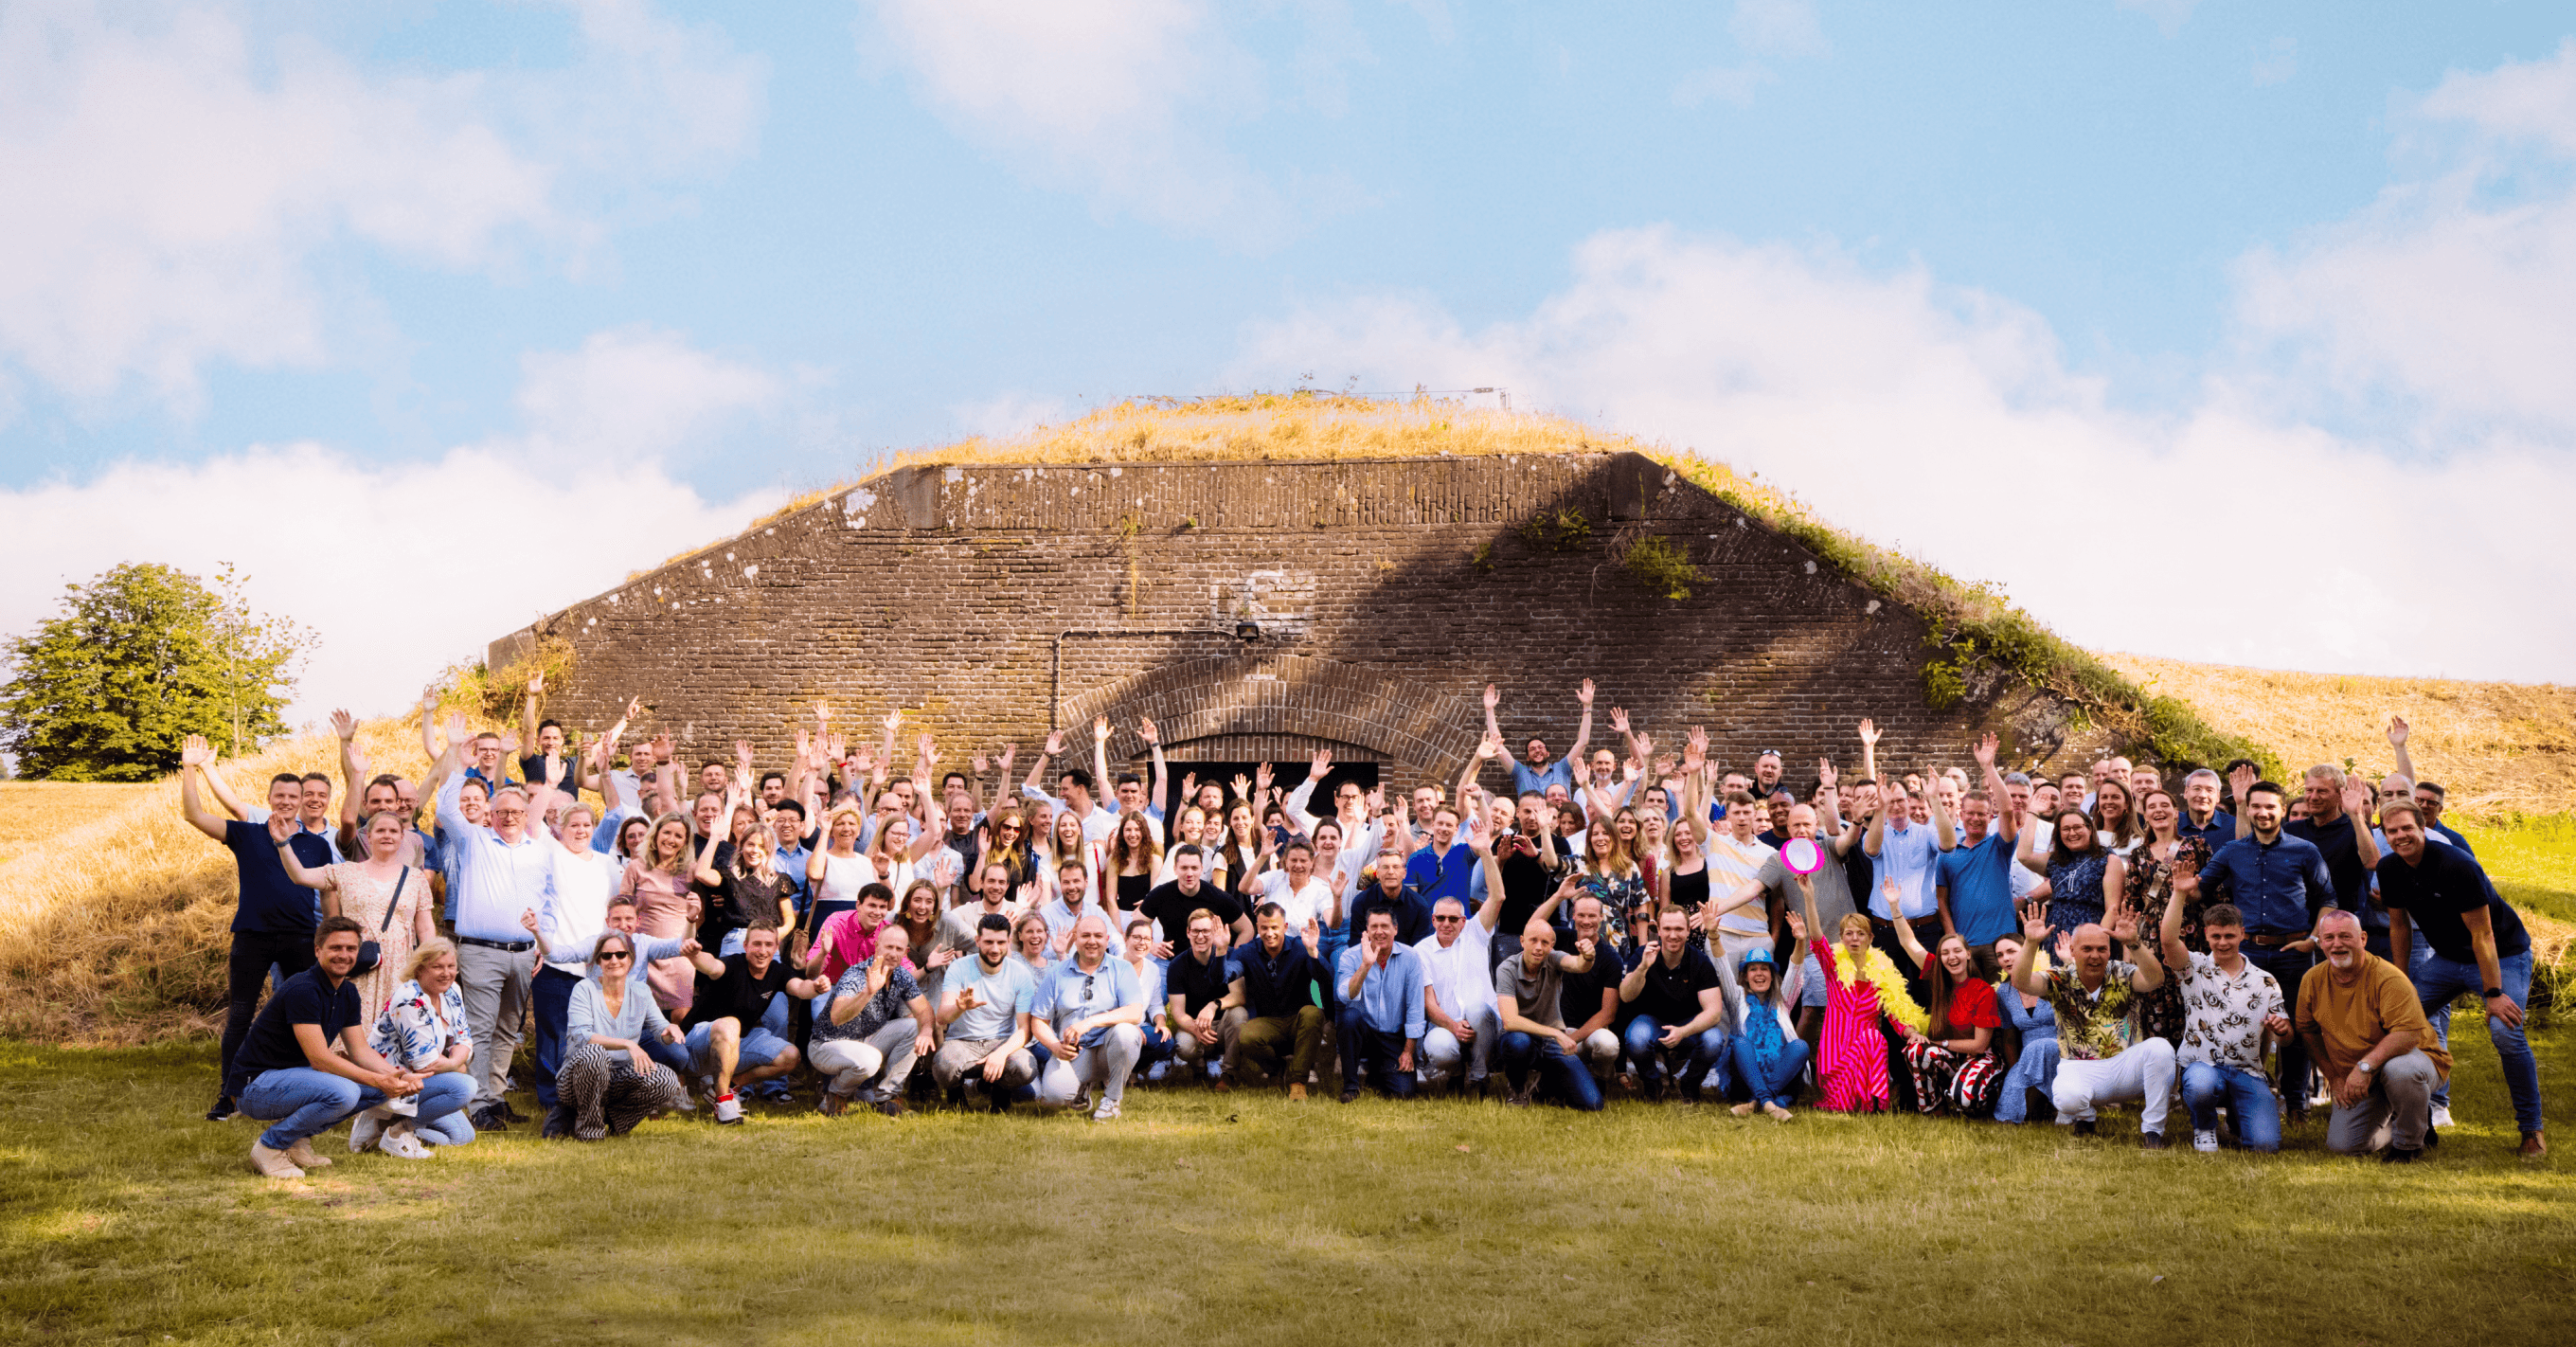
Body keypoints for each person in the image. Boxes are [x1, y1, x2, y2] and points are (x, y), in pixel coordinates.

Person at [230, 917, 470, 1178]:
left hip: (295, 1080)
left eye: (351, 948)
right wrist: (378, 1079)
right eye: (336, 948)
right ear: (318, 950)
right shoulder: (303, 989)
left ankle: (296, 1141)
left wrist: (394, 1077)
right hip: (255, 1086)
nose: (344, 955)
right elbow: (320, 1059)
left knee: (377, 1091)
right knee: (345, 1092)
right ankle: (270, 1146)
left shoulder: (347, 992)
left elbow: (360, 1051)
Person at [2376, 800, 2545, 1158]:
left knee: (2506, 1031)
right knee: (2392, 1023)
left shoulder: (2456, 864)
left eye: (2407, 828)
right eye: (2392, 831)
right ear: (2384, 835)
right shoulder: (2389, 868)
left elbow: (2483, 934)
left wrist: (2494, 993)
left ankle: (2532, 1130)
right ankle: (2419, 1121)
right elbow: (2399, 927)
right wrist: (2401, 984)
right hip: (2448, 960)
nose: (2400, 836)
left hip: (2503, 954)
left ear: (2422, 828)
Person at [178, 735, 332, 1122]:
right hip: (252, 936)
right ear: (269, 798)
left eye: (293, 796)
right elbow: (194, 815)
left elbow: (329, 894)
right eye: (279, 796)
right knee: (240, 1016)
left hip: (301, 939)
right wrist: (190, 768)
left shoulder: (316, 845)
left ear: (301, 801)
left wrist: (330, 935)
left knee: (304, 1016)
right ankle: (229, 1097)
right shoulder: (247, 833)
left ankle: (300, 1090)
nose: (286, 801)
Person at [425, 712, 551, 1131]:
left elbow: (547, 900)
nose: (509, 816)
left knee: (508, 1030)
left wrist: (541, 942)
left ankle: (495, 1097)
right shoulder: (473, 839)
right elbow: (446, 808)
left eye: (516, 811)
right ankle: (477, 1103)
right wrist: (460, 765)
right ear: (490, 813)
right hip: (480, 952)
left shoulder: (538, 851)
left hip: (523, 953)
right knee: (479, 1028)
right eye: (502, 811)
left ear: (527, 814)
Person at [2189, 779, 2334, 1124]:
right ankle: (2244, 1096)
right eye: (2256, 806)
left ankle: (2296, 1101)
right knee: (2240, 1024)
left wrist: (2312, 941)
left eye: (2270, 806)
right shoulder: (2232, 850)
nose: (2263, 812)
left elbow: (2328, 900)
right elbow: (2199, 891)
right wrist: (2184, 887)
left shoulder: (2305, 851)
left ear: (2283, 810)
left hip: (2294, 950)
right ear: (2248, 809)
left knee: (2296, 1026)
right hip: (2248, 954)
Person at [2011, 904, 2173, 1147]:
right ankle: (2084, 1118)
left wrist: (2133, 943)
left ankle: (2153, 1132)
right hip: (2080, 1066)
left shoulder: (2121, 972)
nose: (2095, 955)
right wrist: (2031, 943)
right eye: (2087, 949)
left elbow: (2155, 979)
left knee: (2161, 1049)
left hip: (2124, 1066)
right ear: (2072, 951)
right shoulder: (2060, 978)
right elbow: (2021, 982)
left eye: (2101, 949)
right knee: (2067, 1099)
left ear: (2109, 951)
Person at [2299, 909, 2450, 1161]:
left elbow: (2407, 1035)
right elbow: (2307, 1030)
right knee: (2343, 1146)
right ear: (2321, 943)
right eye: (2329, 938)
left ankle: (2409, 1145)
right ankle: (2408, 1117)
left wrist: (2365, 1067)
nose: (2337, 944)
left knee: (2400, 1071)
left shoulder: (2388, 977)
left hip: (2412, 1059)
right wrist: (2334, 1077)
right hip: (2358, 1073)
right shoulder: (2312, 979)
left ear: (2363, 939)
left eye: (2345, 936)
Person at [276, 807, 435, 1025]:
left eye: (393, 831)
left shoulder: (416, 878)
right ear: (368, 836)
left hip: (399, 967)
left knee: (397, 1029)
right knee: (353, 1027)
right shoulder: (346, 872)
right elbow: (300, 875)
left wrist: (431, 964)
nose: (387, 835)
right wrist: (283, 843)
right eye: (380, 830)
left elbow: (425, 928)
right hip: (358, 963)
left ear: (401, 837)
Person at [2158, 898, 2288, 1154]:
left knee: (2265, 1146)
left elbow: (2287, 1036)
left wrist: (2282, 1029)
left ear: (2242, 933)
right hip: (2202, 1066)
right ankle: (2204, 1126)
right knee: (2201, 1085)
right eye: (2216, 936)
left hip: (2247, 1072)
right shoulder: (2193, 967)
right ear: (2206, 934)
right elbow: (2169, 941)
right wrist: (2179, 893)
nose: (2223, 942)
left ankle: (2236, 1120)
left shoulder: (2266, 981)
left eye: (2229, 935)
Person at [1795, 864, 1923, 1114]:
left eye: (1861, 934)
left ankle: (1871, 1101)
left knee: (1874, 1038)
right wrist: (1809, 896)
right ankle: (1863, 1101)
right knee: (1871, 1043)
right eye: (1849, 934)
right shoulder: (1833, 966)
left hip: (1867, 1056)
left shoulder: (1882, 974)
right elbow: (1817, 937)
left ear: (1870, 939)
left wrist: (1912, 1034)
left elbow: (1895, 1016)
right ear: (1842, 938)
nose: (1854, 938)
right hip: (1834, 1054)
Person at [679, 925, 828, 1123]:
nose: (762, 951)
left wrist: (817, 987)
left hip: (734, 1042)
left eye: (768, 945)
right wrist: (694, 955)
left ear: (776, 948)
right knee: (731, 1024)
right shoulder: (733, 964)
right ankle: (723, 1103)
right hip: (694, 1044)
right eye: (757, 944)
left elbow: (801, 987)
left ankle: (728, 1086)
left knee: (790, 1056)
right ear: (745, 945)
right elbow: (711, 965)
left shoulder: (777, 971)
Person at [1883, 882, 2005, 1117]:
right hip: (1951, 1057)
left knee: (1967, 1100)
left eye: (1957, 951)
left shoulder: (1982, 991)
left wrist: (1937, 1043)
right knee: (1915, 1050)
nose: (1951, 957)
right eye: (1945, 953)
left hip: (1980, 1057)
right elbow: (1909, 943)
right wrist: (1895, 907)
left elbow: (1979, 1045)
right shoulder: (1937, 976)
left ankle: (1984, 1096)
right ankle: (1934, 1109)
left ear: (1968, 954)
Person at [556, 931, 690, 1140]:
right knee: (594, 1054)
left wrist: (670, 1031)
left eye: (620, 954)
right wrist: (628, 1044)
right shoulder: (584, 989)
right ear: (598, 961)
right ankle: (589, 1130)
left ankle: (615, 1121)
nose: (614, 960)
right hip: (578, 1078)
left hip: (619, 1077)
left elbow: (660, 1029)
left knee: (667, 1080)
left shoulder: (641, 991)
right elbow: (582, 1036)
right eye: (606, 956)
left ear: (631, 960)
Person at [356, 939, 481, 1157]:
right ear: (420, 969)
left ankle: (381, 1126)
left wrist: (453, 1062)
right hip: (392, 1083)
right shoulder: (410, 1000)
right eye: (437, 967)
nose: (446, 973)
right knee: (464, 1087)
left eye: (451, 966)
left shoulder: (452, 991)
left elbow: (466, 1041)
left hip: (422, 1083)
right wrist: (458, 1064)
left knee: (462, 1136)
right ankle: (398, 1132)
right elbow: (426, 1065)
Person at [1031, 911, 1147, 1121]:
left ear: (1107, 940)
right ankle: (1082, 1089)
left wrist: (1091, 1022)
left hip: (1107, 1050)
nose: (1092, 941)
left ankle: (1112, 1100)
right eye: (1085, 936)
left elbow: (1135, 1011)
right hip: (1073, 1052)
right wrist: (1055, 1046)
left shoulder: (1122, 968)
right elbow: (1039, 1021)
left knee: (1127, 1033)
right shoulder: (1057, 973)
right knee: (1055, 1096)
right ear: (1075, 939)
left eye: (1098, 936)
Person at [812, 924, 935, 1118]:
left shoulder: (902, 975)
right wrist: (868, 992)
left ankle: (887, 1098)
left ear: (905, 952)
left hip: (864, 1040)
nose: (893, 953)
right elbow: (837, 1017)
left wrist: (927, 1031)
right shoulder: (857, 974)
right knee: (871, 1060)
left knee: (915, 1027)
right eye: (889, 947)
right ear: (877, 946)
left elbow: (924, 1010)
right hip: (826, 1045)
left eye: (899, 949)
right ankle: (834, 1096)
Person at [1619, 907, 1729, 1102]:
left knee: (1714, 1039)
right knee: (1636, 1038)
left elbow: (1714, 1013)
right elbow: (1626, 996)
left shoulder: (1700, 961)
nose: (1673, 935)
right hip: (1652, 1021)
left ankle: (1690, 1084)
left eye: (1679, 929)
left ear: (1688, 931)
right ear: (1658, 931)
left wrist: (1683, 1032)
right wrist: (1643, 967)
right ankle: (1653, 1083)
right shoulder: (1643, 954)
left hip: (1689, 1023)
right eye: (1667, 929)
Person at [1931, 734, 2019, 979]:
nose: (1975, 818)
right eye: (1970, 813)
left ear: (1990, 817)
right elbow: (1941, 901)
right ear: (1961, 814)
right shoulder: (1948, 853)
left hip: (2001, 943)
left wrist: (1988, 767)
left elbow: (2008, 810)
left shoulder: (1999, 846)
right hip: (1966, 946)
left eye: (1982, 814)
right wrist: (1953, 938)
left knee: (2007, 997)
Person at [932, 914, 1041, 1111]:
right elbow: (941, 1018)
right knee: (943, 1065)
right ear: (977, 941)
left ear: (1009, 941)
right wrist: (959, 1008)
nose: (995, 949)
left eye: (1001, 942)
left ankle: (1000, 1092)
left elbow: (1025, 1029)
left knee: (1026, 1067)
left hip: (1001, 1041)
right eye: (989, 942)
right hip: (962, 1043)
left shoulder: (1020, 973)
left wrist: (1001, 1053)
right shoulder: (959, 967)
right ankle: (956, 1096)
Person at [1494, 919, 1601, 1110]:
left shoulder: (1554, 958)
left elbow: (1578, 965)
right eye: (1533, 940)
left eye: (1545, 943)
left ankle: (1543, 1086)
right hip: (1520, 1038)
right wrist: (1557, 1033)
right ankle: (1517, 1089)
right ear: (1522, 941)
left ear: (1552, 946)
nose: (1538, 947)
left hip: (1551, 1043)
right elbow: (1510, 1021)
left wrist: (1588, 957)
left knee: (1593, 1104)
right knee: (1518, 1042)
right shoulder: (1507, 969)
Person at [1228, 905, 1332, 1098]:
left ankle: (1298, 1081)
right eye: (1264, 928)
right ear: (1257, 928)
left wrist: (1313, 951)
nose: (1269, 933)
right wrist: (1220, 951)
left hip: (1298, 1021)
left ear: (1285, 927)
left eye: (1274, 927)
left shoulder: (1300, 947)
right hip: (1267, 1022)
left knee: (1313, 1013)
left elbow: (1326, 978)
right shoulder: (1248, 951)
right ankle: (1276, 1070)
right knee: (1246, 1035)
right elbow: (1229, 973)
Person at [1334, 907, 1425, 1102]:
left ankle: (1377, 1072)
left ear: (1395, 929)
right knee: (1349, 1018)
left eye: (1385, 926)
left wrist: (1408, 1051)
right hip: (1363, 1034)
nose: (1379, 932)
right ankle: (1350, 1087)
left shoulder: (1411, 957)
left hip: (1393, 1037)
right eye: (1374, 926)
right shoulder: (1350, 956)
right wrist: (1365, 965)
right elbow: (1345, 996)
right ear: (1366, 930)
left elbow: (1415, 1008)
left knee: (1404, 1093)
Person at [2020, 808, 2125, 947]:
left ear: (2089, 829)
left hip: (2091, 936)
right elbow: (2024, 856)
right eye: (2066, 829)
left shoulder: (2108, 859)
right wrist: (2033, 813)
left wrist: (2095, 940)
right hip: (2056, 937)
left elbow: (2113, 909)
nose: (2072, 833)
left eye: (2077, 827)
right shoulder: (2056, 860)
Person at [1165, 908, 1245, 1086]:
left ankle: (1228, 1072)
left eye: (1206, 931)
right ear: (1188, 932)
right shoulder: (1177, 965)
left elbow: (1239, 996)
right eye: (1195, 931)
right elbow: (1178, 1012)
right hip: (1195, 1024)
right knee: (1183, 1044)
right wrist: (1195, 1029)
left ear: (1214, 932)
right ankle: (1199, 1068)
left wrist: (1213, 1005)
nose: (1200, 936)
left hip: (1223, 1025)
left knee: (1239, 1014)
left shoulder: (1230, 954)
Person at [1726, 947, 1805, 1119]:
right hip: (1746, 1081)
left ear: (1772, 975)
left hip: (1780, 1079)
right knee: (1740, 1043)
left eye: (1764, 968)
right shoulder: (1737, 999)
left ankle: (1757, 1102)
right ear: (1745, 977)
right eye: (1753, 969)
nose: (1759, 973)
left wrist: (1800, 941)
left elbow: (1796, 969)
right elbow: (1722, 968)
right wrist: (1714, 939)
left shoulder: (1783, 1000)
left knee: (1800, 1046)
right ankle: (1769, 1104)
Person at [1139, 846, 1250, 957]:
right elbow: (1135, 926)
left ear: (1201, 869)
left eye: (1194, 868)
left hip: (1209, 963)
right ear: (1175, 869)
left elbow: (1247, 929)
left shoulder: (1218, 897)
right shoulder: (1160, 894)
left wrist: (1234, 959)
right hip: (1169, 961)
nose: (1189, 874)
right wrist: (1151, 945)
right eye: (1184, 868)